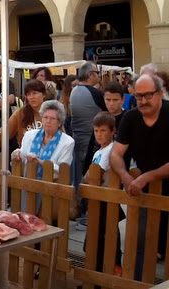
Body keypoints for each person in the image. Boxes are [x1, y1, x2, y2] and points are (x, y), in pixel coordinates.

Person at [110, 74, 169, 280]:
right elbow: (116, 154)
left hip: (153, 183)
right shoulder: (130, 118)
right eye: (138, 95)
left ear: (160, 94)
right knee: (142, 239)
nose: (142, 101)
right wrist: (126, 177)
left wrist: (146, 177)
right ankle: (139, 283)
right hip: (146, 191)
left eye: (148, 95)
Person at [11, 100, 74, 212]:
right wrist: (17, 153)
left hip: (50, 188)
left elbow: (62, 169)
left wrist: (39, 161)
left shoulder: (67, 142)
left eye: (52, 118)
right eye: (45, 117)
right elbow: (23, 152)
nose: (48, 121)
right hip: (28, 184)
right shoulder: (30, 135)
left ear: (59, 123)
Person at [82, 112, 123, 277]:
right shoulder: (98, 151)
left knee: (109, 239)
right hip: (95, 200)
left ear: (113, 131)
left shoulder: (111, 151)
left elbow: (92, 174)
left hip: (107, 201)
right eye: (96, 130)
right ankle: (95, 273)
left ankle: (110, 272)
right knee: (94, 239)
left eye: (103, 130)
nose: (99, 134)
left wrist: (87, 178)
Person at [0, 79, 46, 156]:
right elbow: (3, 134)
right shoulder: (20, 114)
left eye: (35, 93)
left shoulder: (52, 112)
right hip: (27, 160)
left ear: (43, 94)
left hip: (49, 159)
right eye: (28, 94)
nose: (32, 97)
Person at [70, 61, 106, 217]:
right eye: (97, 73)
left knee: (80, 177)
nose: (99, 76)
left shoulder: (74, 91)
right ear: (90, 75)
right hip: (92, 141)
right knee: (92, 177)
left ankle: (80, 210)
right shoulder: (95, 93)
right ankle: (87, 213)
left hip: (77, 140)